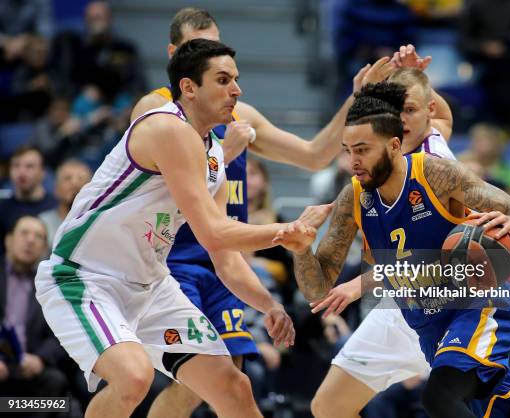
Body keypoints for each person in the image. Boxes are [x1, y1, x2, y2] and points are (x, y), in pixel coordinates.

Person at [132, 8, 421, 417]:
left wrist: (358, 98)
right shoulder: (155, 110)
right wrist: (224, 152)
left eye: (213, 47)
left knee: (233, 374)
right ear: (173, 55)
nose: (207, 55)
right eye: (196, 47)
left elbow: (315, 154)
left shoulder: (238, 115)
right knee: (192, 380)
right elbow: (156, 188)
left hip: (225, 261)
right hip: (172, 258)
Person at [35, 39, 325, 418]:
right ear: (189, 87)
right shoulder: (166, 128)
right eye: (223, 80)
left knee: (233, 387)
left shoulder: (215, 156)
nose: (236, 90)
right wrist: (287, 230)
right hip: (85, 278)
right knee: (133, 377)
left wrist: (270, 305)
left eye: (236, 80)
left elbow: (226, 257)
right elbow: (212, 233)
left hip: (151, 286)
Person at [280, 81, 510, 418]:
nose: (352, 162)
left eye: (362, 150)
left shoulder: (435, 174)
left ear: (392, 145)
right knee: (499, 409)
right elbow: (317, 288)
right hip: (425, 322)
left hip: (474, 307)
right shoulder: (354, 197)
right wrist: (302, 249)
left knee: (439, 398)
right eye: (347, 150)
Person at [304, 62, 456, 416]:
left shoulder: (434, 166)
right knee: (328, 407)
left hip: (450, 309)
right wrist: (408, 78)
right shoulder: (426, 136)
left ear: (426, 112)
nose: (402, 119)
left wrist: (357, 286)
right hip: (401, 308)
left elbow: (425, 257)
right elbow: (444, 115)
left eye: (410, 110)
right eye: (395, 110)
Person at [0, 216, 69, 417]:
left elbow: (60, 334)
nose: (30, 240)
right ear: (8, 240)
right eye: (24, 233)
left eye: (38, 237)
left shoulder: (51, 286)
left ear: (44, 248)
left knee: (57, 385)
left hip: (28, 369)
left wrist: (40, 359)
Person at [0, 145, 56, 253]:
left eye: (29, 166)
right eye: (16, 166)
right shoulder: (3, 209)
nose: (21, 173)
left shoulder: (56, 207)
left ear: (42, 172)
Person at [38, 159, 92, 248]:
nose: (75, 183)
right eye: (67, 178)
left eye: (81, 179)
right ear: (56, 189)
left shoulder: (96, 223)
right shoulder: (42, 224)